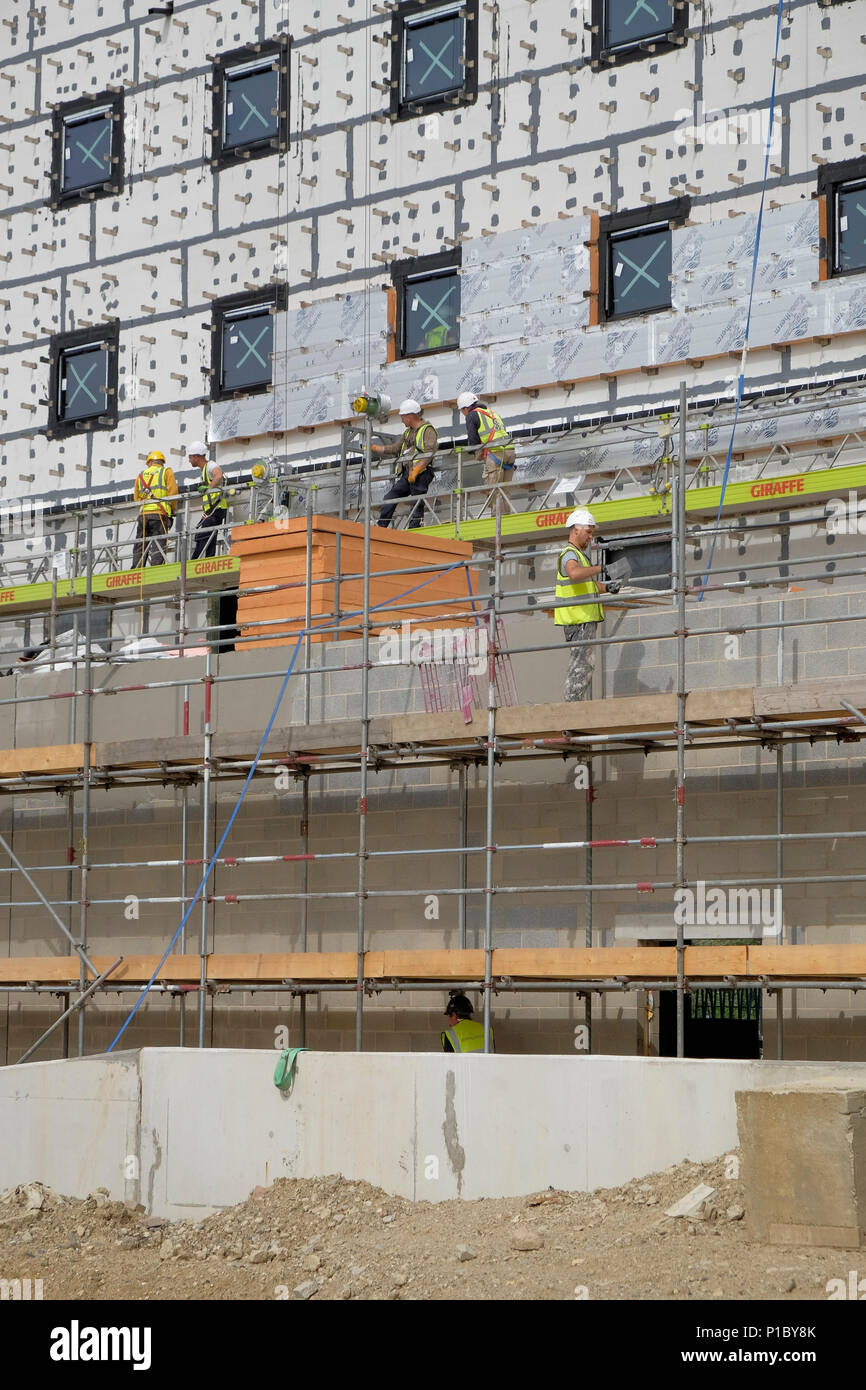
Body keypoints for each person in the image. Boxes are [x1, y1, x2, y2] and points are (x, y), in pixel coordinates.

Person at [555, 507, 610, 702]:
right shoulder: (570, 554)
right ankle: (572, 707)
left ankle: (574, 705)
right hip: (578, 620)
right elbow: (574, 574)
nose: (590, 537)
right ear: (575, 530)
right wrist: (600, 568)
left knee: (585, 665)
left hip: (583, 620)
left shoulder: (579, 555)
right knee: (581, 665)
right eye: (588, 532)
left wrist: (609, 588)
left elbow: (588, 584)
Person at [373, 398, 438, 529]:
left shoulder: (427, 430)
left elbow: (429, 453)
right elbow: (395, 449)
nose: (402, 419)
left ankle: (415, 528)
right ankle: (381, 527)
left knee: (417, 500)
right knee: (390, 497)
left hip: (422, 473)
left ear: (410, 416)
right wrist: (375, 448)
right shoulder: (408, 432)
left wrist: (416, 470)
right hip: (408, 474)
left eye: (403, 417)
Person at [457, 391, 515, 485]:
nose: (462, 413)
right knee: (504, 490)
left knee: (492, 490)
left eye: (461, 410)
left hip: (496, 453)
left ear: (465, 408)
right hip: (510, 452)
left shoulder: (471, 415)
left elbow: (473, 440)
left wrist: (472, 452)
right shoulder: (492, 413)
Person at [132, 450, 177, 568]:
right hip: (159, 514)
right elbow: (173, 494)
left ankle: (136, 568)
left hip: (143, 515)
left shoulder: (141, 475)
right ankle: (156, 567)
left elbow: (136, 499)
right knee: (159, 543)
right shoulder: (166, 472)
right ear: (162, 462)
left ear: (150, 462)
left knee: (140, 543)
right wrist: (172, 511)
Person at [192, 463, 228, 559]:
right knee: (209, 534)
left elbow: (219, 475)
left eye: (190, 456)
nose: (189, 459)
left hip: (216, 508)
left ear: (196, 456)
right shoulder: (205, 470)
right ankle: (209, 557)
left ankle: (194, 560)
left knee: (202, 535)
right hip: (211, 511)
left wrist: (209, 487)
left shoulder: (210, 465)